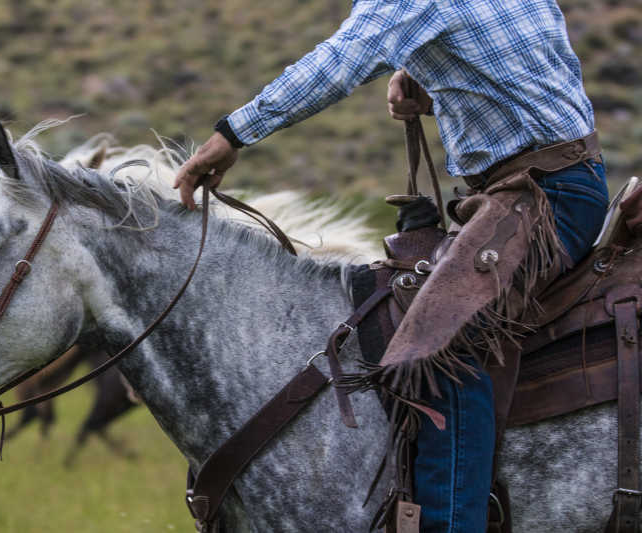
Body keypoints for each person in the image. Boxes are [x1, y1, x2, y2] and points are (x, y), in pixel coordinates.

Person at [174, 1, 608, 531]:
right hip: (556, 183)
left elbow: (342, 58)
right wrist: (438, 71)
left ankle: (448, 523)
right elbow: (532, 64)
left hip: (541, 197)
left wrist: (231, 135)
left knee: (441, 344)